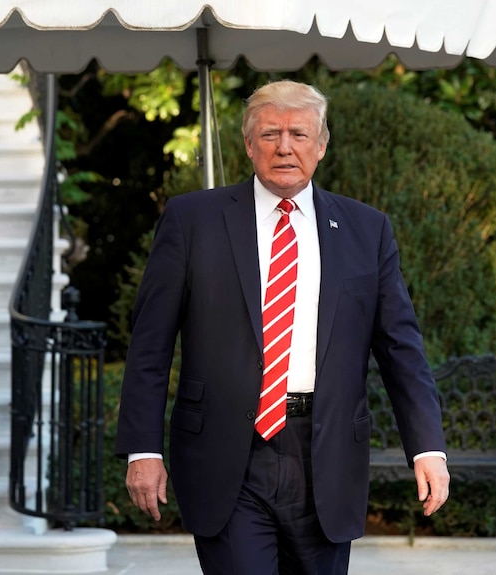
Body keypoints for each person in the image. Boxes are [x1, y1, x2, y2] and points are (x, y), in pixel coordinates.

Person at [114, 79, 450, 575]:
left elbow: (401, 348)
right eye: (270, 134)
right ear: (249, 145)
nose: (285, 147)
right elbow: (150, 345)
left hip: (326, 455)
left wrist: (427, 447)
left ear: (321, 144)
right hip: (227, 455)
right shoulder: (192, 220)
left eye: (298, 133)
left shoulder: (366, 229)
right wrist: (142, 449)